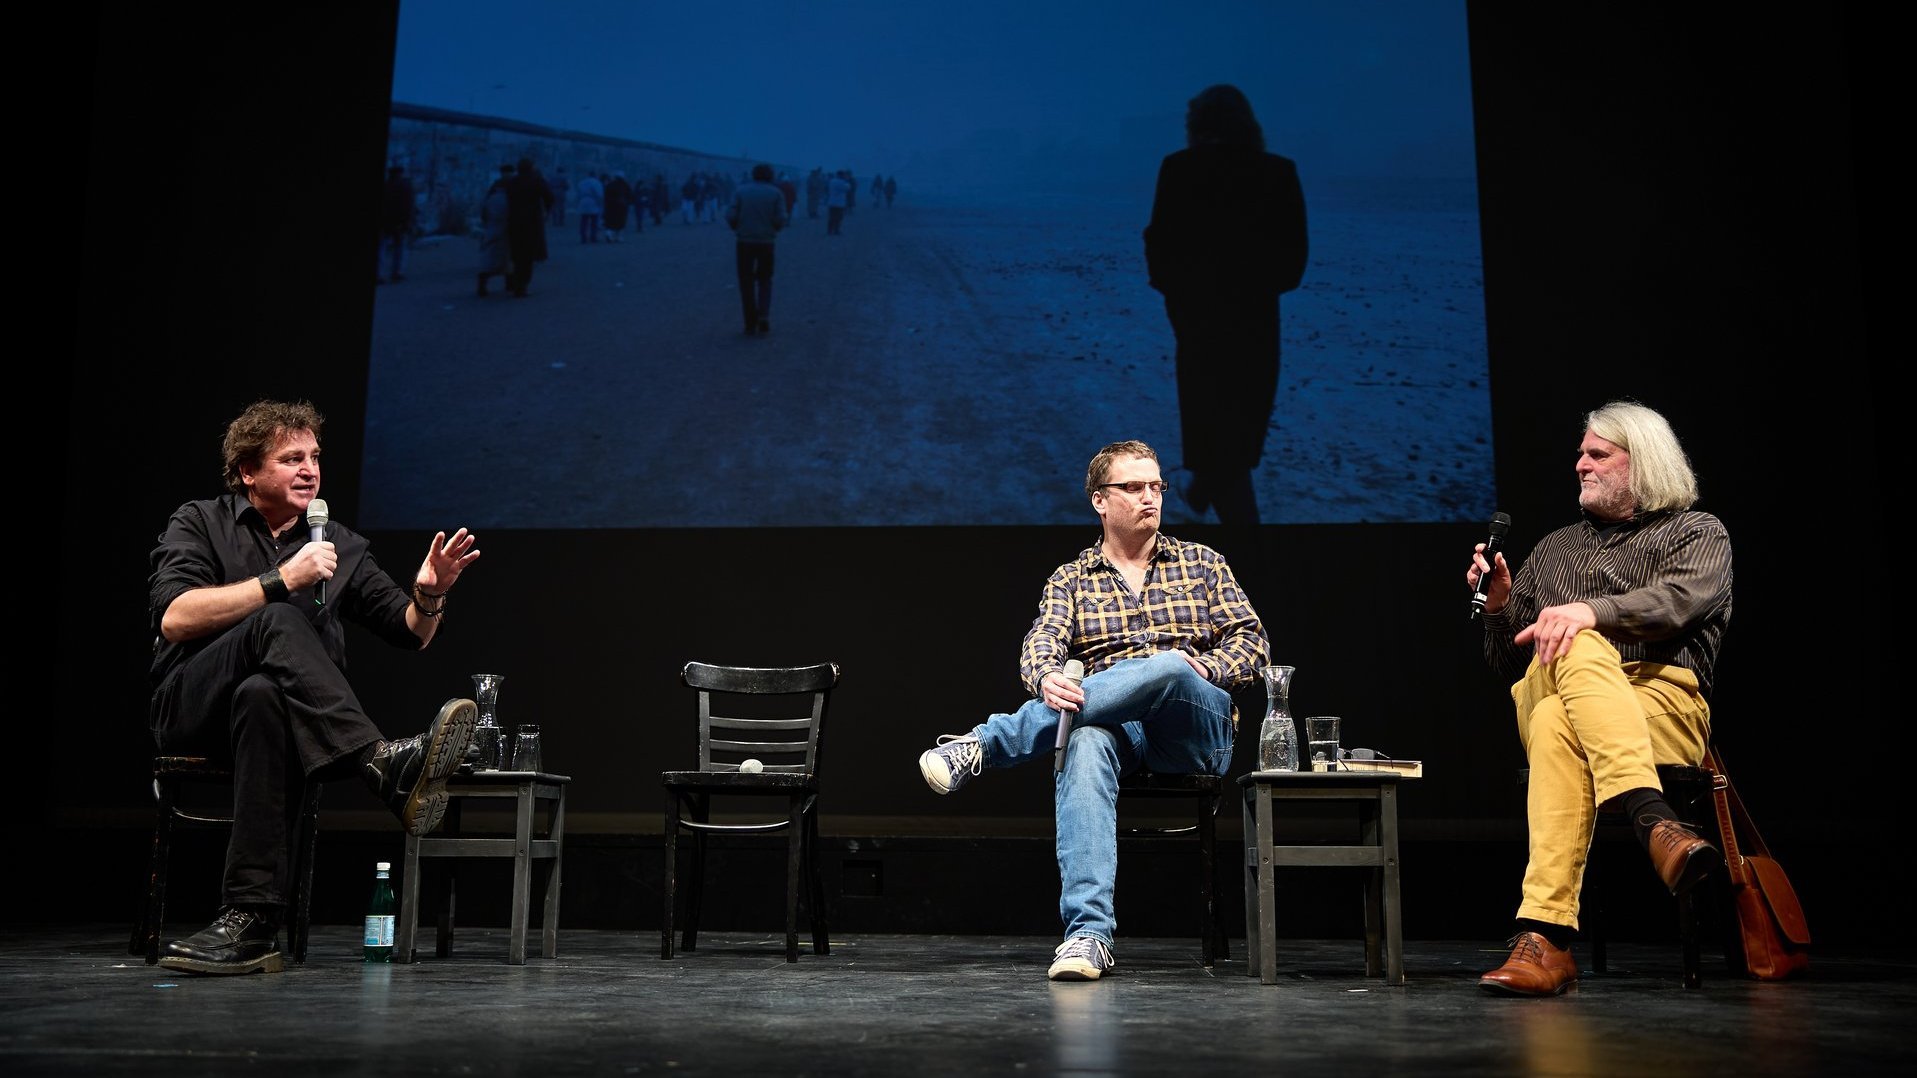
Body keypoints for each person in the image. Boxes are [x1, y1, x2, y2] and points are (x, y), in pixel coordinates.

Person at [148, 399, 484, 976]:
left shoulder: (339, 546)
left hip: (277, 728)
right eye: (291, 458)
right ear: (248, 472)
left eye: (314, 457)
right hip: (191, 703)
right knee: (279, 618)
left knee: (262, 694)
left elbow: (411, 633)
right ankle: (379, 762)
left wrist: (431, 593)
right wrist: (282, 579)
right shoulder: (201, 521)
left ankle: (250, 921)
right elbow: (176, 618)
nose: (309, 469)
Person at [915, 439, 1268, 981]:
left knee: (1168, 665)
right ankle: (1087, 936)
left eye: (1156, 486)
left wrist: (1207, 669)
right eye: (1133, 487)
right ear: (1100, 501)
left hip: (1196, 724)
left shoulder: (1203, 563)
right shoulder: (1072, 578)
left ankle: (988, 744)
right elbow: (1043, 641)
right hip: (1119, 727)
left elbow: (1253, 643)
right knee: (1080, 740)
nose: (1149, 497)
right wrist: (1047, 678)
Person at [1466, 400, 1732, 997]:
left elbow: (1676, 606)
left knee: (1563, 707)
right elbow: (1509, 663)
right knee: (1565, 666)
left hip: (1661, 701)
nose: (1580, 464)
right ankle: (1655, 821)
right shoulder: (1555, 550)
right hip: (1553, 691)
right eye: (1580, 455)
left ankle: (1545, 940)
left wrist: (1589, 613)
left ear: (1644, 463)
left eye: (1598, 455)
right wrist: (1502, 608)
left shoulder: (1697, 534)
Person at [1143, 83, 1308, 526]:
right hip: (1255, 332)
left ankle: (1212, 499)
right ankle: (1217, 504)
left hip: (1197, 330)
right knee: (1234, 447)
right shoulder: (1278, 172)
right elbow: (1293, 264)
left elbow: (1160, 251)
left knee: (1217, 446)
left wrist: (1184, 300)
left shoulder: (1178, 170)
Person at [725, 162, 788, 335]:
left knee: (746, 282)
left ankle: (749, 322)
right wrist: (773, 229)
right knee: (765, 280)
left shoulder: (741, 191)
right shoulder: (776, 193)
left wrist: (737, 228)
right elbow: (782, 218)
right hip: (766, 242)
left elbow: (730, 215)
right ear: (770, 176)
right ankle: (764, 316)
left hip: (744, 242)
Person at [504, 157, 553, 297]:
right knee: (528, 256)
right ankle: (522, 285)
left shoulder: (512, 182)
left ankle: (516, 282)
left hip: (514, 221)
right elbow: (549, 197)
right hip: (532, 222)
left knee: (517, 253)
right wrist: (546, 211)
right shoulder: (536, 180)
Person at [475, 162, 513, 297]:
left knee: (488, 258)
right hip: (507, 229)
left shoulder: (492, 195)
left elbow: (484, 212)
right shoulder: (512, 193)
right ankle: (509, 284)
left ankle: (482, 285)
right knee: (508, 258)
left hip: (492, 229)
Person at [377, 164, 415, 284]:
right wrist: (408, 222)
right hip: (399, 221)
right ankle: (397, 273)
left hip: (385, 221)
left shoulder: (386, 186)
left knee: (382, 248)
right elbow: (408, 207)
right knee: (400, 248)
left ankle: (379, 274)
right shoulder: (406, 187)